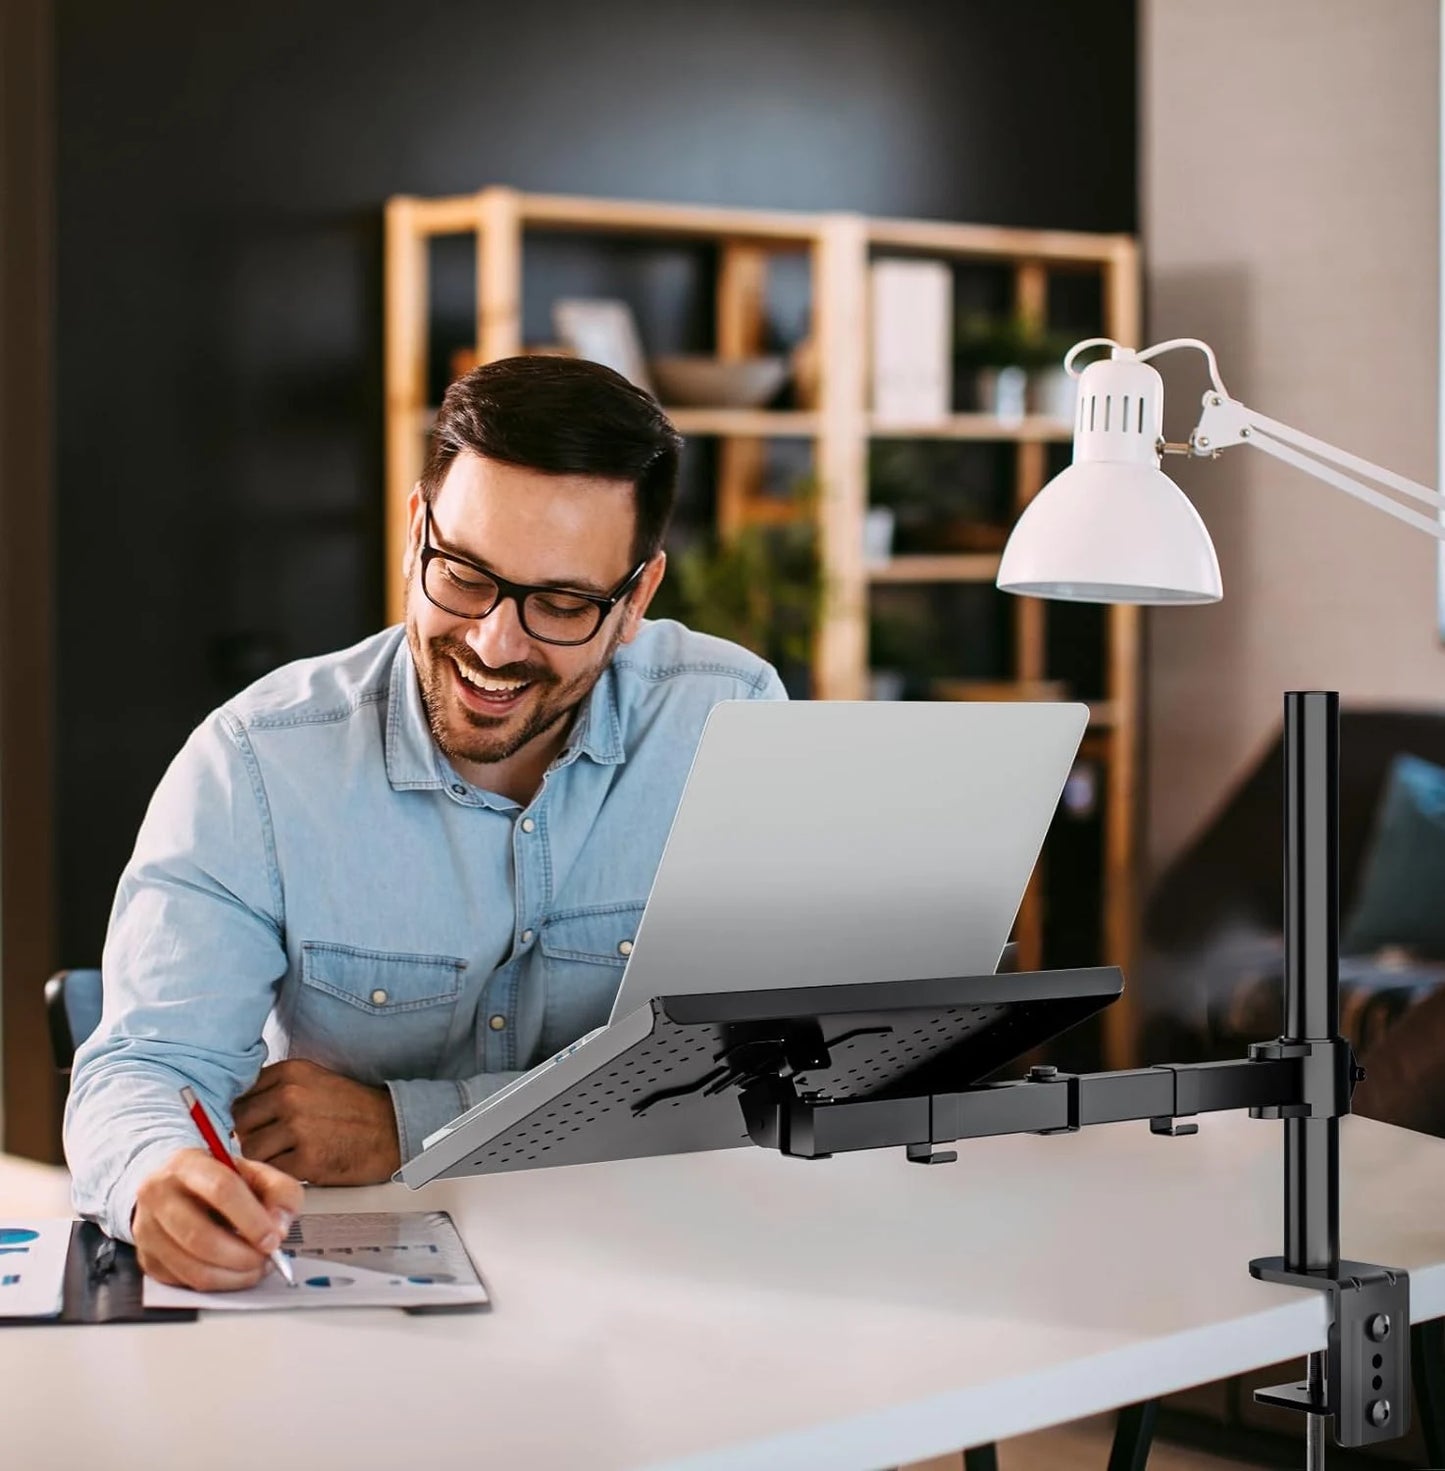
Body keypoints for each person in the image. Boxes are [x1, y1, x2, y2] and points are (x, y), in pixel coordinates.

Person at [64, 355, 786, 1290]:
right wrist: (160, 1176)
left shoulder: (728, 719)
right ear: (416, 532)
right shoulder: (256, 763)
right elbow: (146, 1064)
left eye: (562, 603)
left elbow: (751, 1067)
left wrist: (409, 1124)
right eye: (465, 575)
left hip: (665, 1279)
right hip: (349, 1299)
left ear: (636, 598)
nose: (494, 642)